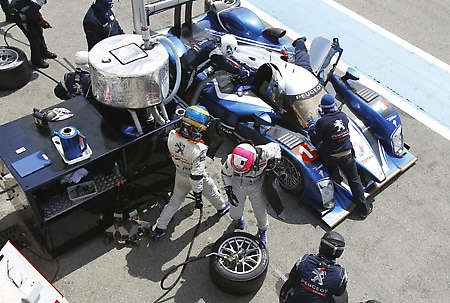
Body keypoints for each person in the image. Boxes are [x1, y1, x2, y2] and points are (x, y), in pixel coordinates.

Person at [152, 105, 230, 239]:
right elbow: (196, 177)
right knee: (211, 190)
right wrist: (198, 198)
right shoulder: (199, 149)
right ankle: (222, 207)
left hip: (179, 174)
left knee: (174, 201)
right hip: (194, 177)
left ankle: (160, 227)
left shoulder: (171, 136)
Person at [308, 94, 373, 219]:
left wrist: (311, 129)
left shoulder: (322, 122)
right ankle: (364, 209)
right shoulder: (343, 116)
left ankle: (334, 178)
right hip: (347, 155)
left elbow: (316, 140)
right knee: (354, 180)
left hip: (331, 157)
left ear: (322, 108)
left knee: (322, 150)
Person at [221, 141, 281, 245]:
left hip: (257, 185)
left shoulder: (265, 153)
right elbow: (225, 173)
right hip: (237, 183)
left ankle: (262, 231)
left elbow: (277, 147)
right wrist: (228, 189)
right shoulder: (231, 159)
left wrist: (276, 161)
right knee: (234, 212)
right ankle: (238, 220)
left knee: (260, 212)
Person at [280, 231, 348, 303]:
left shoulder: (303, 260)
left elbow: (292, 278)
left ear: (321, 246)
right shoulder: (341, 275)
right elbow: (339, 293)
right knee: (342, 294)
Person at [178, 34, 254, 96]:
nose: (228, 53)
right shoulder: (216, 51)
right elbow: (225, 65)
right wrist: (241, 72)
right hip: (189, 70)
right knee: (183, 91)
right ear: (227, 46)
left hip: (181, 61)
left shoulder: (209, 40)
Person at [9, 0, 57, 68]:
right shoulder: (32, 5)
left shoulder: (33, 5)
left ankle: (44, 52)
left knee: (39, 32)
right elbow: (35, 16)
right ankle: (36, 61)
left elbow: (36, 13)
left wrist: (41, 21)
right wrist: (43, 23)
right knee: (34, 38)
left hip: (28, 13)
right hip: (23, 19)